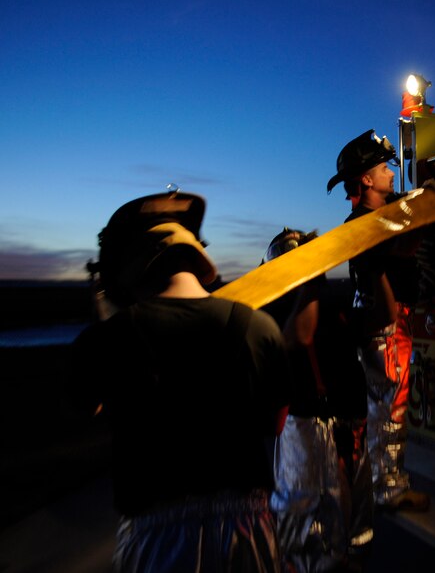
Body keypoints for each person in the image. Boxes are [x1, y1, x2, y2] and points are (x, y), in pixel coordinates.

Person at [67, 190, 292, 572]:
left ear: (133, 268)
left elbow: (90, 407)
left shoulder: (106, 339)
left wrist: (107, 323)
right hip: (250, 527)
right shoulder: (259, 326)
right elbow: (276, 423)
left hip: (157, 535)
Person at [327, 129, 429, 512]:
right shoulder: (367, 224)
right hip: (386, 329)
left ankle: (382, 483)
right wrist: (425, 213)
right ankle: (390, 489)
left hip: (383, 326)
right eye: (383, 168)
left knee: (384, 409)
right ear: (366, 180)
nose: (391, 173)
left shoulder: (372, 219)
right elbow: (404, 248)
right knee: (390, 410)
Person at [260, 228, 374, 573]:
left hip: (348, 426)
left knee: (356, 519)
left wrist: (376, 267)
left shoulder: (333, 302)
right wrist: (310, 271)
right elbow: (301, 333)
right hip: (307, 428)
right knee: (310, 525)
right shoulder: (274, 312)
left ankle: (353, 559)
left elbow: (382, 316)